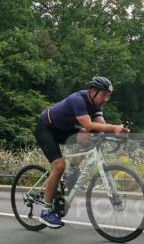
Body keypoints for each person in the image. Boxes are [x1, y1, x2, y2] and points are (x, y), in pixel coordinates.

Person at [33, 76, 129, 228]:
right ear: (93, 91)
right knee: (58, 166)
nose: (106, 98)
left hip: (64, 130)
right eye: (103, 94)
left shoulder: (96, 105)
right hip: (47, 128)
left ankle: (72, 171)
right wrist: (114, 127)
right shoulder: (78, 99)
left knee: (89, 138)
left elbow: (100, 128)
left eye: (108, 95)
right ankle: (46, 211)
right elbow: (89, 125)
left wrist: (117, 133)